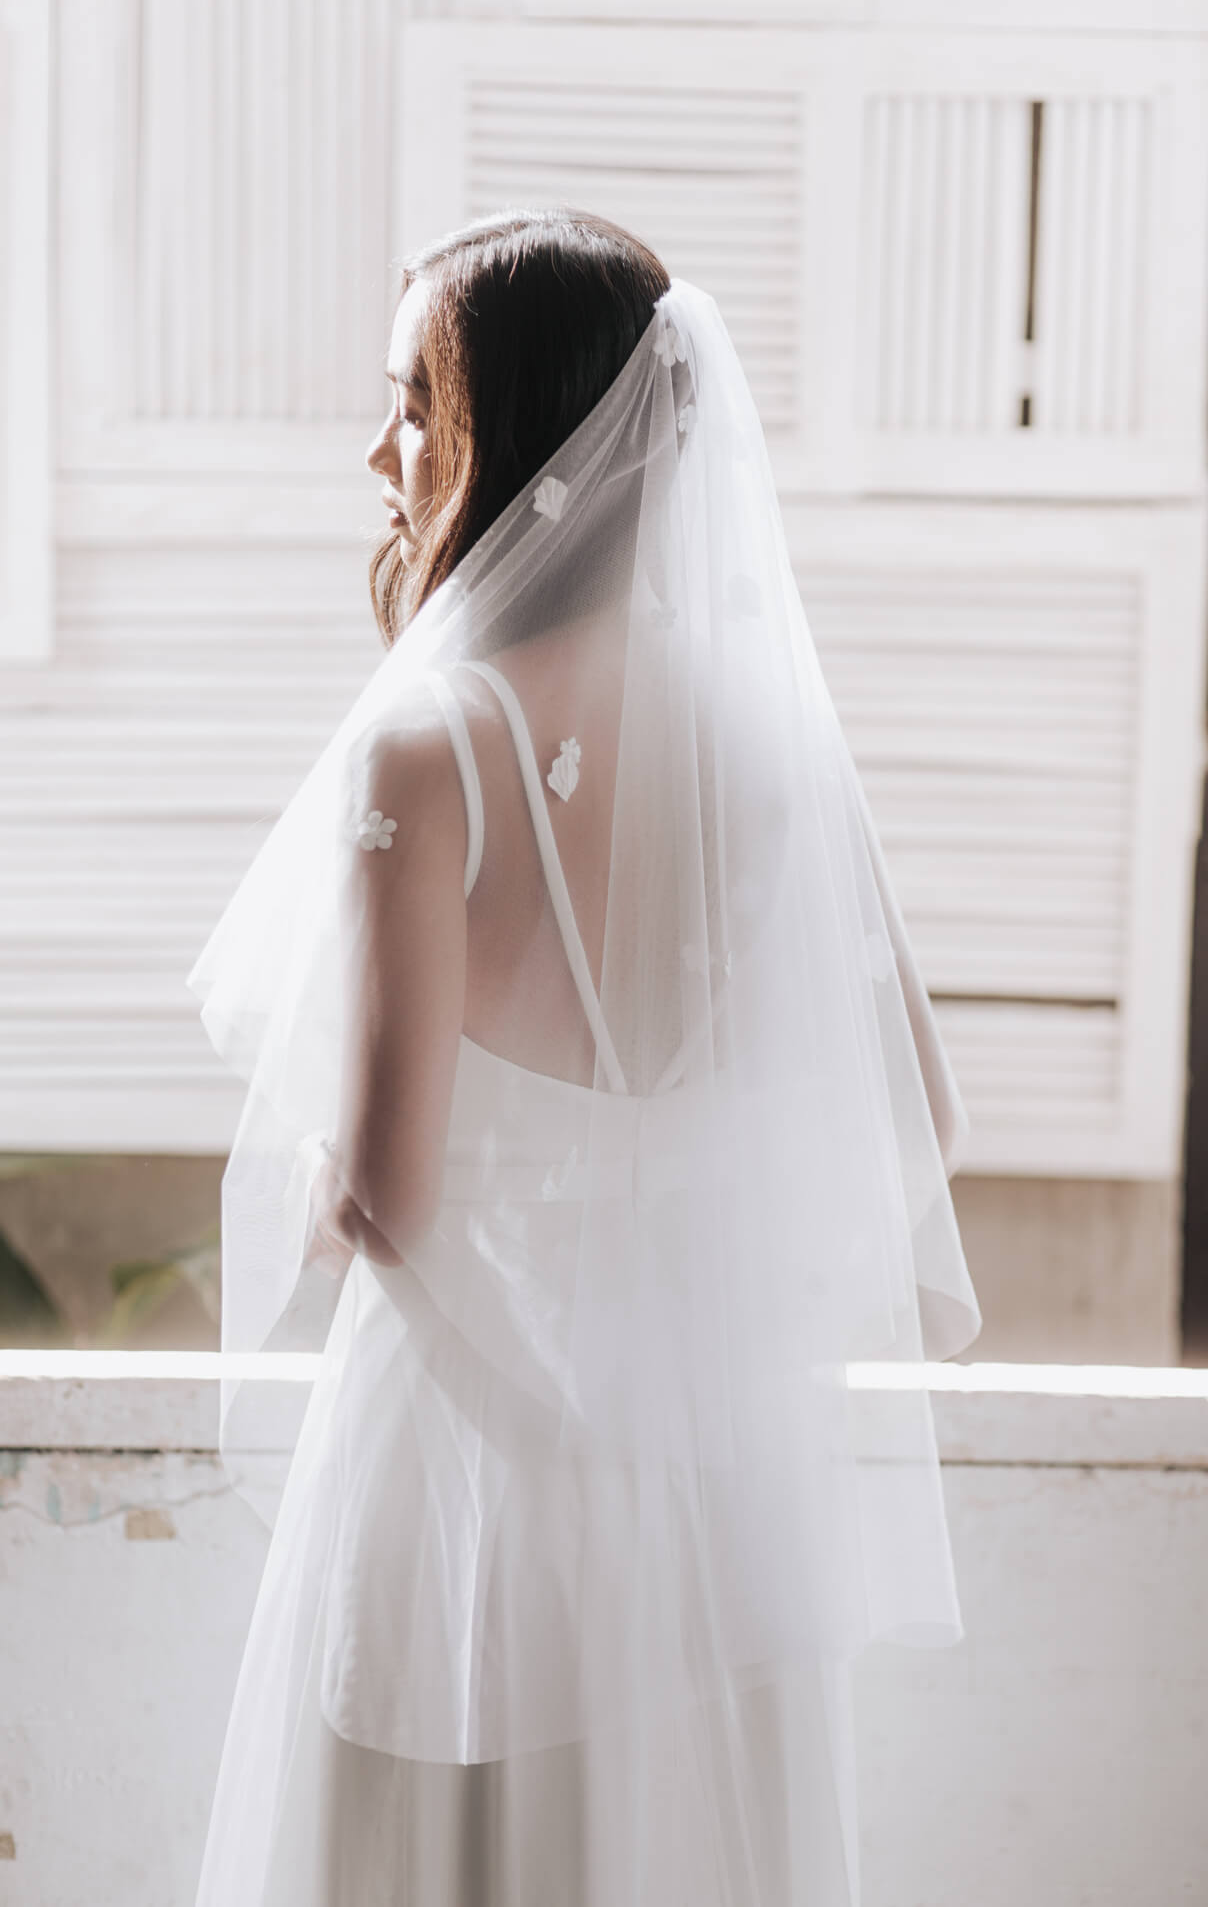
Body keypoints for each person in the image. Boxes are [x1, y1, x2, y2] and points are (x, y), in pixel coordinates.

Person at [188, 208, 982, 1907]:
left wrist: (325, 1195)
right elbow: (923, 1110)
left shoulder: (425, 746)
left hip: (466, 1494)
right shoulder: (771, 742)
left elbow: (389, 1196)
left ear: (527, 433)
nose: (377, 448)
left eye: (415, 398)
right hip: (710, 1504)